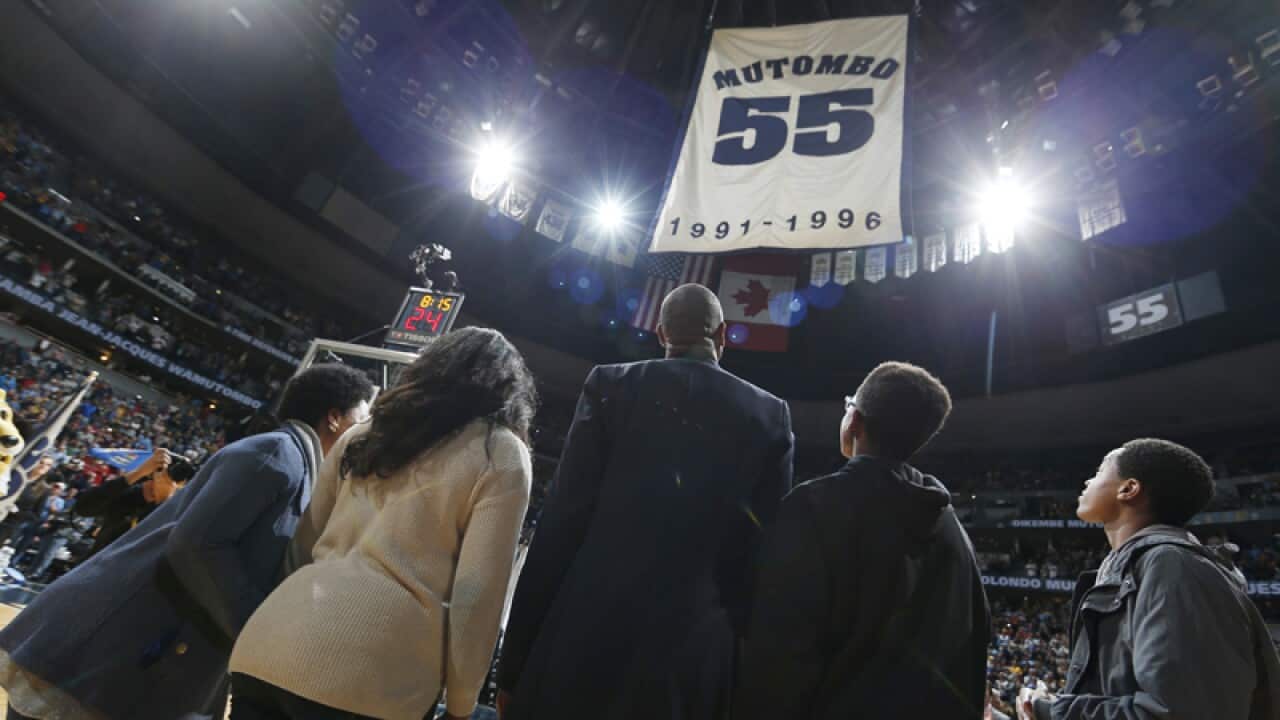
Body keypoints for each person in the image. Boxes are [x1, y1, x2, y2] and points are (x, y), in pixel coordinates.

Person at [0, 364, 374, 720]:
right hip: (109, 644)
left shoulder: (297, 466)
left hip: (141, 651)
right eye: (362, 418)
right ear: (334, 417)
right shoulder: (277, 453)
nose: (365, 432)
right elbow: (199, 545)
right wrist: (255, 630)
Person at [497, 283, 794, 720]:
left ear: (660, 333)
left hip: (584, 635)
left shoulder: (611, 385)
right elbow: (760, 557)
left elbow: (562, 523)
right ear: (723, 335)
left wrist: (513, 665)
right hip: (691, 655)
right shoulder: (770, 415)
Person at [230, 327, 536, 720]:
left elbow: (303, 544)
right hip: (375, 678)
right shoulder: (501, 453)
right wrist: (460, 704)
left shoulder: (365, 431)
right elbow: (477, 596)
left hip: (269, 644)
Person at [736, 362, 989, 720]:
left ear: (854, 420)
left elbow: (780, 652)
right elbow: (976, 642)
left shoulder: (814, 507)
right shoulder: (952, 527)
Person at [1018, 439, 1280, 720]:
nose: (1087, 480)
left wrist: (1051, 711)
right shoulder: (1141, 564)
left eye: (1099, 472)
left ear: (1128, 489)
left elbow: (1179, 713)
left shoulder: (1172, 565)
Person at [74, 448, 194, 557]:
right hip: (93, 567)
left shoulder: (177, 517)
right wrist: (138, 473)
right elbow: (83, 508)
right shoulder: (132, 495)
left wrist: (163, 503)